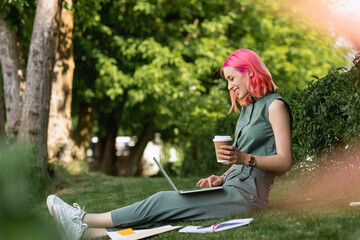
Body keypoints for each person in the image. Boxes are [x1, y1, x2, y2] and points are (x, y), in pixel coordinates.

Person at [47, 49, 292, 239]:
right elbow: (240, 161)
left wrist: (244, 159)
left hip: (248, 197)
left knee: (164, 201)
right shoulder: (248, 108)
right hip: (230, 187)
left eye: (231, 78)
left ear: (249, 71)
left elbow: (284, 162)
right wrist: (221, 176)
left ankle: (82, 218)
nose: (229, 86)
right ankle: (89, 233)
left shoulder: (275, 106)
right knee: (169, 210)